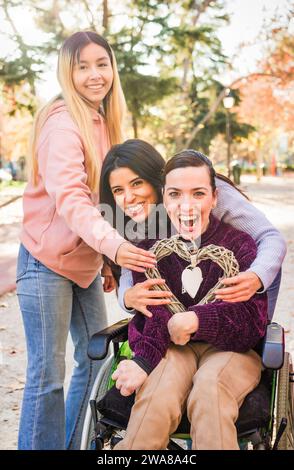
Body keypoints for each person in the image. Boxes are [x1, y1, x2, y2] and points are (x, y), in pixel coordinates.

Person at [16, 31, 156, 451]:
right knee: (46, 374)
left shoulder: (104, 123)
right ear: (67, 71)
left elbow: (107, 198)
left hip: (83, 265)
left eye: (102, 63)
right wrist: (113, 246)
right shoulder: (63, 124)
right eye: (83, 66)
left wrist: (108, 262)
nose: (95, 75)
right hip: (45, 262)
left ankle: (75, 444)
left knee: (97, 359)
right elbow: (73, 201)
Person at [111, 150, 269, 450]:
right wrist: (143, 361)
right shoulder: (150, 250)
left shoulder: (239, 246)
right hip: (168, 345)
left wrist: (198, 320)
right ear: (164, 198)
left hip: (232, 349)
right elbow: (153, 314)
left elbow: (251, 322)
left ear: (214, 197)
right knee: (157, 393)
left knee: (210, 389)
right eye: (175, 194)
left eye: (198, 193)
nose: (186, 205)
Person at [100, 140, 286, 321]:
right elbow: (129, 270)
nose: (129, 197)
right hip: (191, 298)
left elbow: (269, 237)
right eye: (118, 190)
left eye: (136, 183)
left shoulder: (205, 192)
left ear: (156, 179)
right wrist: (127, 298)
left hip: (251, 277)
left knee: (253, 338)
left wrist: (257, 276)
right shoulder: (132, 222)